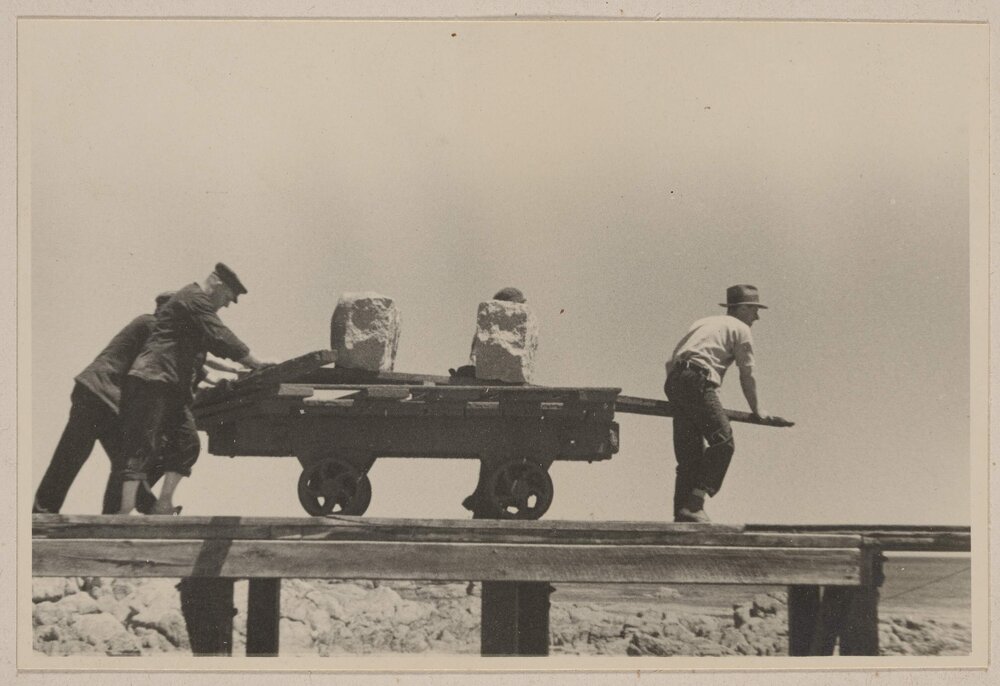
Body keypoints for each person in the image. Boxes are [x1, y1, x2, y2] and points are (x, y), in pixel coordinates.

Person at [116, 263, 274, 514]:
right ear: (217, 284)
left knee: (187, 443)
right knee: (142, 445)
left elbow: (213, 347)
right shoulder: (192, 298)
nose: (226, 305)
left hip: (172, 386)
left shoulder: (194, 305)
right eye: (228, 298)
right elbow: (221, 336)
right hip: (152, 379)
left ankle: (163, 504)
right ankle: (124, 513)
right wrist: (257, 363)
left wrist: (236, 369)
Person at [32, 292, 178, 515]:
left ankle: (146, 506)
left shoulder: (151, 327)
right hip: (99, 394)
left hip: (101, 396)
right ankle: (43, 512)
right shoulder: (151, 325)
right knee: (81, 454)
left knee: (112, 457)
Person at [664, 284, 779, 523]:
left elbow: (670, 362)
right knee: (723, 441)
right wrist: (757, 409)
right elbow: (747, 374)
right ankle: (695, 503)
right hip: (698, 380)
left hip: (675, 381)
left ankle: (683, 515)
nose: (757, 317)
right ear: (743, 308)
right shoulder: (741, 329)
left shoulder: (703, 323)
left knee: (690, 455)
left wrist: (681, 394)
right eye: (754, 310)